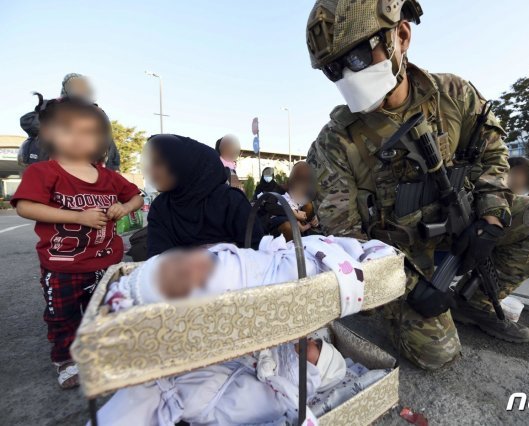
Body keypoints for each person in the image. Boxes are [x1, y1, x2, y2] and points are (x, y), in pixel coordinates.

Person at [305, 0, 529, 370]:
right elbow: (344, 239)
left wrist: (491, 218)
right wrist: (409, 287)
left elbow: (493, 153)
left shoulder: (453, 95)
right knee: (438, 353)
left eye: (359, 57)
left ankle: (473, 302)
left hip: (456, 225)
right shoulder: (334, 143)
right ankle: (401, 309)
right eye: (334, 67)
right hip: (396, 258)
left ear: (401, 35)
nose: (348, 74)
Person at [93, 234, 395, 425]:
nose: (305, 346)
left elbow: (249, 397)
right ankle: (146, 292)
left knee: (164, 394)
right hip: (250, 294)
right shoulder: (283, 338)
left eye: (311, 352)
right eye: (312, 346)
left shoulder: (287, 388)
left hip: (211, 388)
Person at [10, 95, 143, 388]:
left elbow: (136, 196)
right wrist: (77, 217)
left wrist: (125, 207)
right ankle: (66, 360)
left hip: (107, 262)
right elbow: (25, 207)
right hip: (63, 266)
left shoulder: (108, 176)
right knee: (64, 316)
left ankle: (104, 351)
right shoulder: (44, 172)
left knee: (108, 310)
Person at [145, 134, 263, 258]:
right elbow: (156, 261)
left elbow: (257, 251)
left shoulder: (230, 201)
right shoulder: (161, 208)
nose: (151, 170)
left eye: (159, 163)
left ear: (183, 163)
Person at [18, 73, 121, 171]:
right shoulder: (52, 106)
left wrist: (111, 171)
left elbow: (108, 144)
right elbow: (27, 121)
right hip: (53, 168)